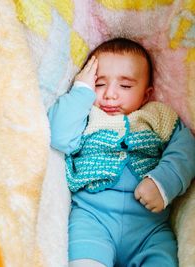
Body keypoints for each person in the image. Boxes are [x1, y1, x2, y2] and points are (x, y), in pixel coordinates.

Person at [48, 38, 195, 267]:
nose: (110, 95)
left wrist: (163, 182)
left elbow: (187, 148)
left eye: (125, 86)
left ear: (146, 95)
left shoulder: (158, 116)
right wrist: (81, 91)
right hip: (92, 218)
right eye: (99, 84)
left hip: (150, 229)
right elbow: (58, 135)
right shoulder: (86, 117)